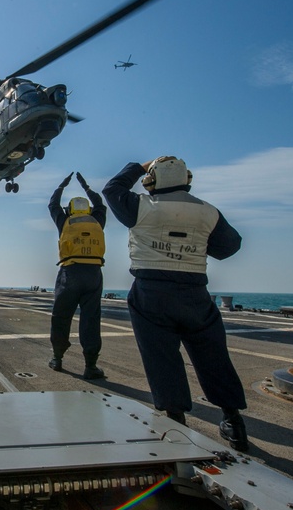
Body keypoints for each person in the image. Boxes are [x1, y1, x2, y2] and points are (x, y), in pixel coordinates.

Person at [102, 157, 249, 451]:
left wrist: (137, 166)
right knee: (213, 356)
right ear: (187, 180)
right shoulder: (208, 212)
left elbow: (111, 189)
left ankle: (176, 421)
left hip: (151, 290)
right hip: (195, 291)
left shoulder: (141, 206)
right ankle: (233, 422)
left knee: (162, 357)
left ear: (152, 181)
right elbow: (229, 246)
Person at [48, 172, 108, 379]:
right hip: (93, 274)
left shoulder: (64, 221)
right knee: (91, 320)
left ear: (69, 210)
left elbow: (52, 205)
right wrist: (87, 187)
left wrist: (61, 187)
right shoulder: (97, 220)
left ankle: (57, 358)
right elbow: (101, 205)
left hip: (69, 274)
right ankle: (90, 366)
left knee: (61, 317)